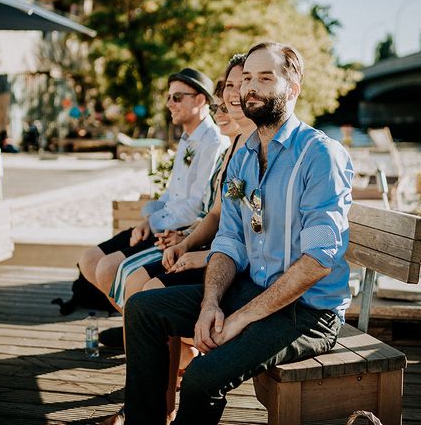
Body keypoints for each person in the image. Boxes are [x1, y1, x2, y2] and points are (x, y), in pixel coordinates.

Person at [120, 42, 354, 424]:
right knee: (143, 309)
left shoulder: (319, 155)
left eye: (266, 78)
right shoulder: (243, 155)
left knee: (200, 377)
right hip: (251, 290)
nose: (251, 88)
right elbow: (228, 239)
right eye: (247, 78)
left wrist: (241, 317)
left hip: (307, 312)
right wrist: (211, 301)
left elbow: (317, 262)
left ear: (292, 89)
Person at [79, 68, 229, 308]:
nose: (170, 103)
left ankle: (136, 323)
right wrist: (148, 221)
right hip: (162, 223)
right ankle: (132, 320)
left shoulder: (213, 142)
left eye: (177, 97)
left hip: (179, 232)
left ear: (200, 100)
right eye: (168, 97)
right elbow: (171, 193)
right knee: (89, 259)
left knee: (108, 268)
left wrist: (156, 224)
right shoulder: (187, 138)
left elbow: (195, 207)